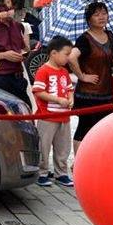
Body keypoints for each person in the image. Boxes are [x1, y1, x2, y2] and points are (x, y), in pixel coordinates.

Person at [68, 1, 113, 152]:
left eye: (104, 13)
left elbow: (111, 56)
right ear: (89, 19)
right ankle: (79, 161)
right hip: (88, 93)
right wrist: (82, 76)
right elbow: (72, 57)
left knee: (103, 127)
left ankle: (96, 157)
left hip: (106, 91)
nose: (101, 17)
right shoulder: (84, 39)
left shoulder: (110, 35)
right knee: (85, 127)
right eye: (96, 14)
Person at [32, 36, 75, 188]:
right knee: (44, 145)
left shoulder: (64, 72)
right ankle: (42, 173)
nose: (68, 58)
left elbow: (70, 89)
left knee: (63, 147)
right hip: (47, 116)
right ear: (54, 53)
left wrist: (71, 99)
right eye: (66, 54)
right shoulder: (43, 70)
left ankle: (61, 173)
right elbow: (38, 91)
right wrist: (57, 99)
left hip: (64, 117)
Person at [0, 5, 31, 107]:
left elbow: (23, 48)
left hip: (18, 77)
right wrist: (4, 55)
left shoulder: (18, 26)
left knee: (25, 109)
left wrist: (24, 52)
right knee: (2, 113)